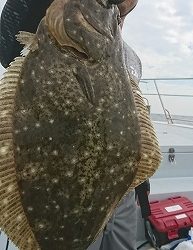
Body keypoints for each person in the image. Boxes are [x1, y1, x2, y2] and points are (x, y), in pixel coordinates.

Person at [0, 0, 150, 249]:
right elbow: (7, 40)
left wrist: (138, 182)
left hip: (117, 186)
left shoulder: (129, 57)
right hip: (59, 192)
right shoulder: (43, 32)